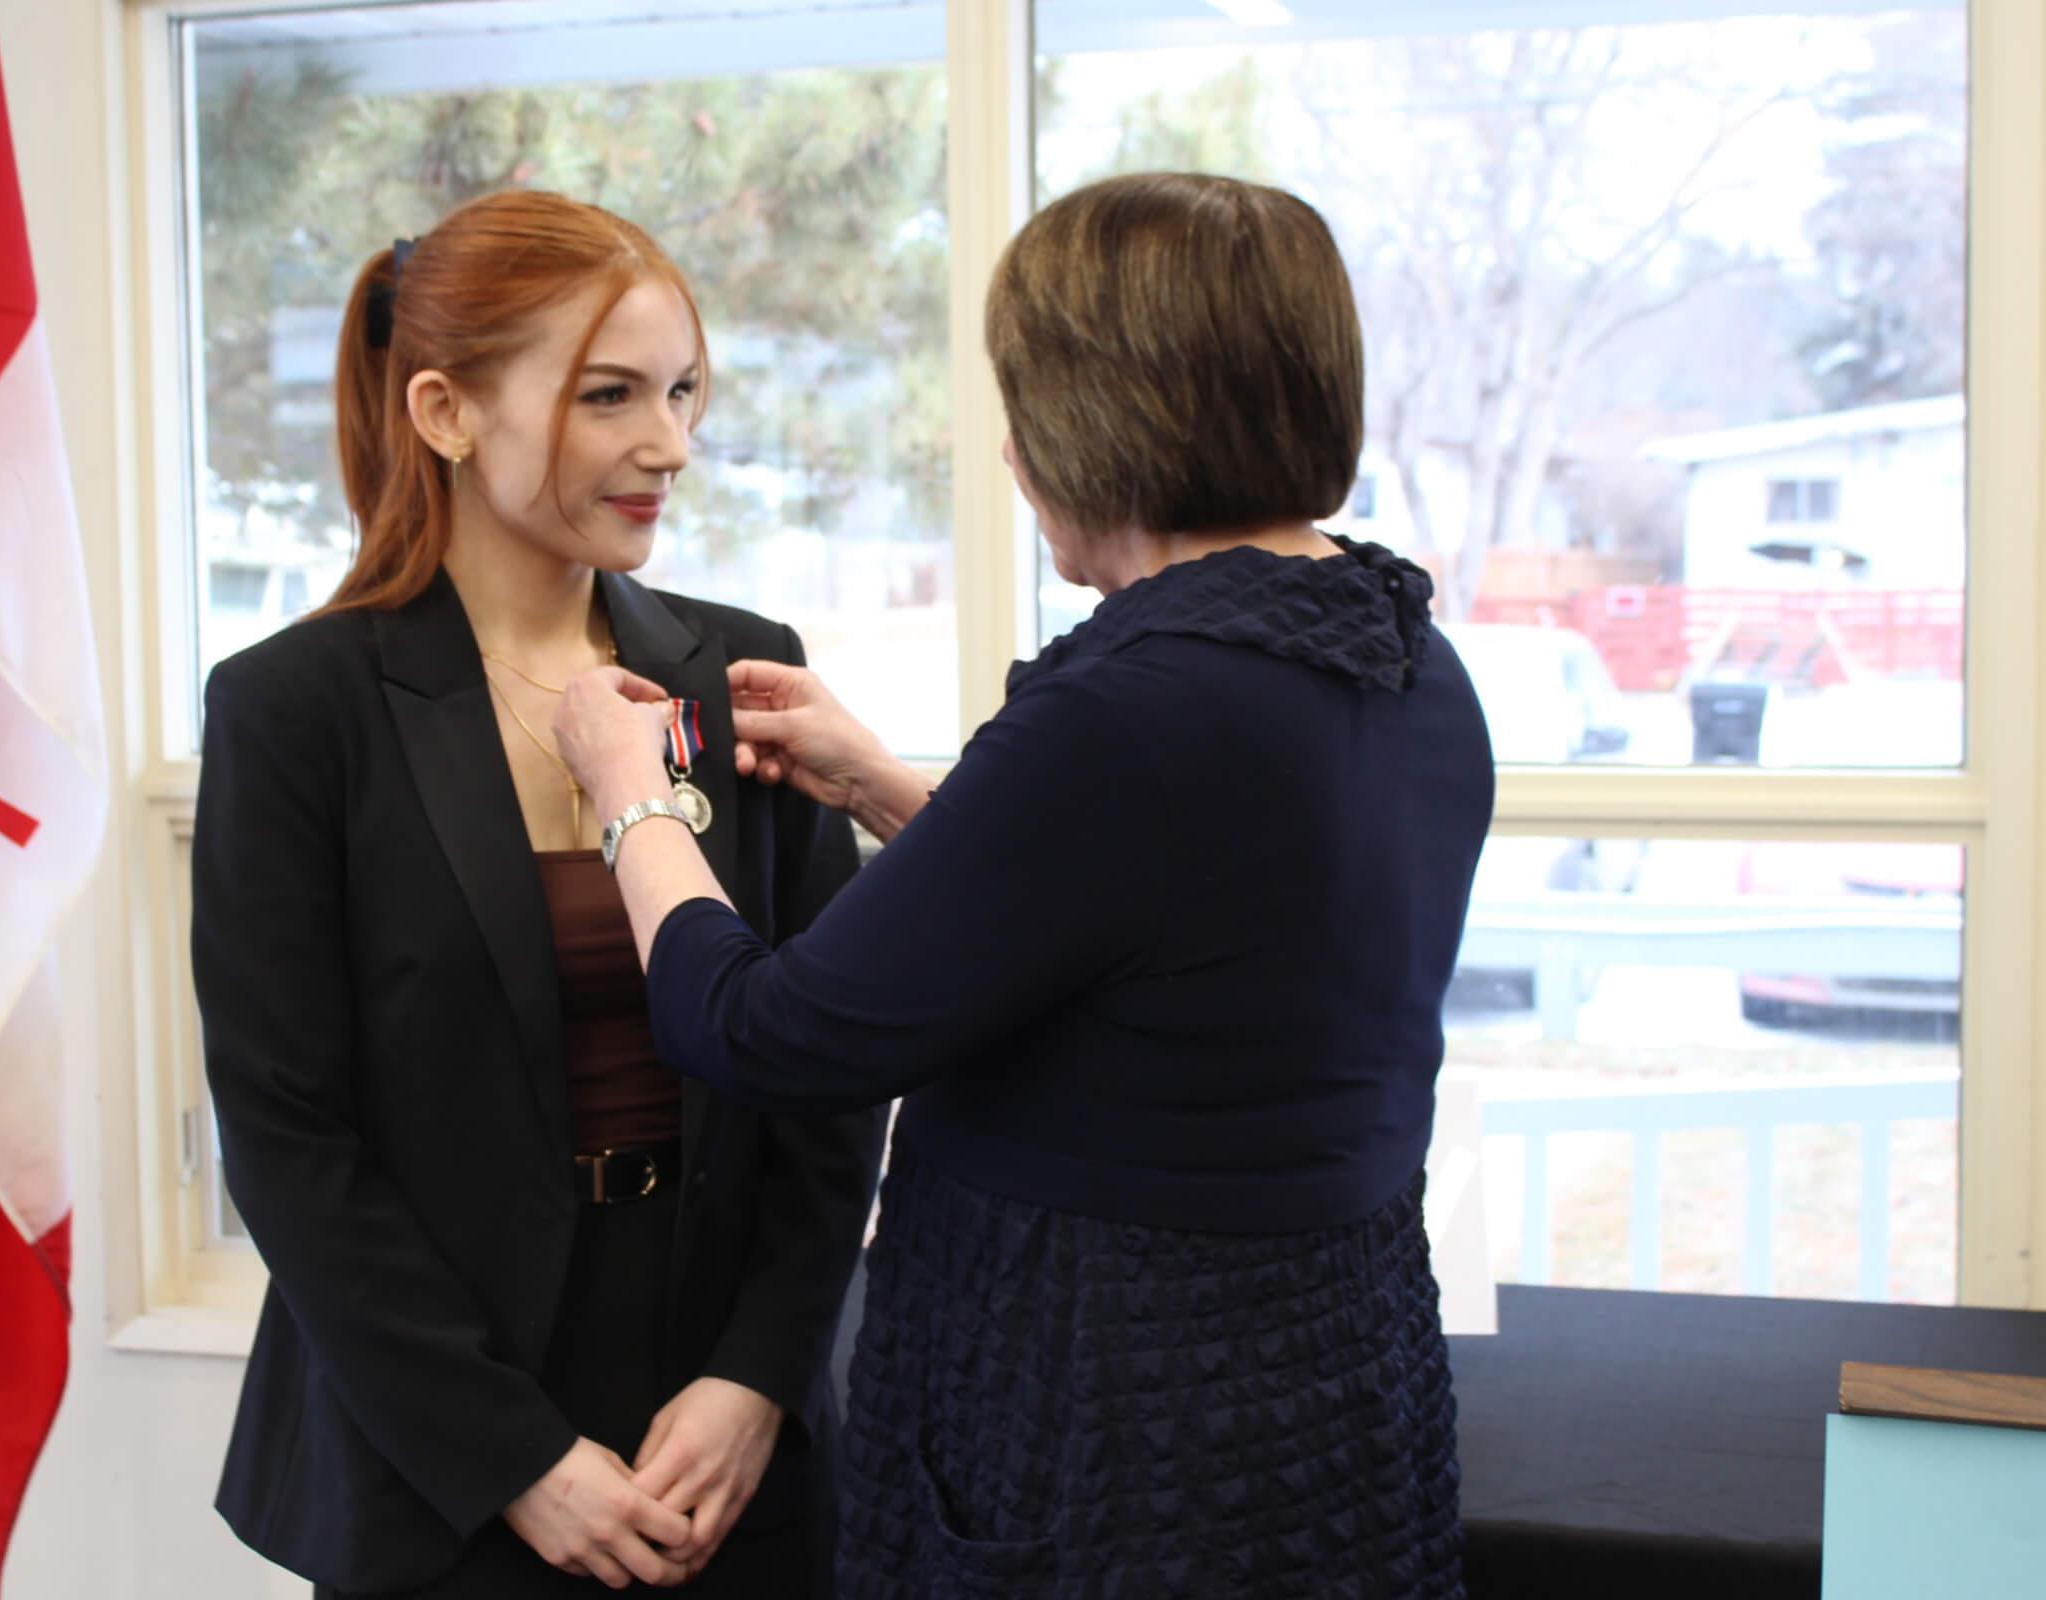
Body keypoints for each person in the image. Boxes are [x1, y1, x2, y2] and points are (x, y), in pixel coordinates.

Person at [554, 171, 1495, 1598]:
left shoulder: (1135, 706)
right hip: (1337, 1381)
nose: (1007, 451)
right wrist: (888, 790)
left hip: (1120, 1422)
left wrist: (626, 790)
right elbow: (1179, 946)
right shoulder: (1404, 662)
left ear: (1097, 415)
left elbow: (767, 1032)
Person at [192, 190, 885, 1598]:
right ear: (444, 411)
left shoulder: (741, 678)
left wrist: (758, 1372)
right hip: (439, 1461)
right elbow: (287, 1141)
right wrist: (510, 1455)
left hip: (730, 1438)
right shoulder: (295, 710)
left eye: (683, 392)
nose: (669, 446)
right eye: (610, 395)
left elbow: (828, 1068)